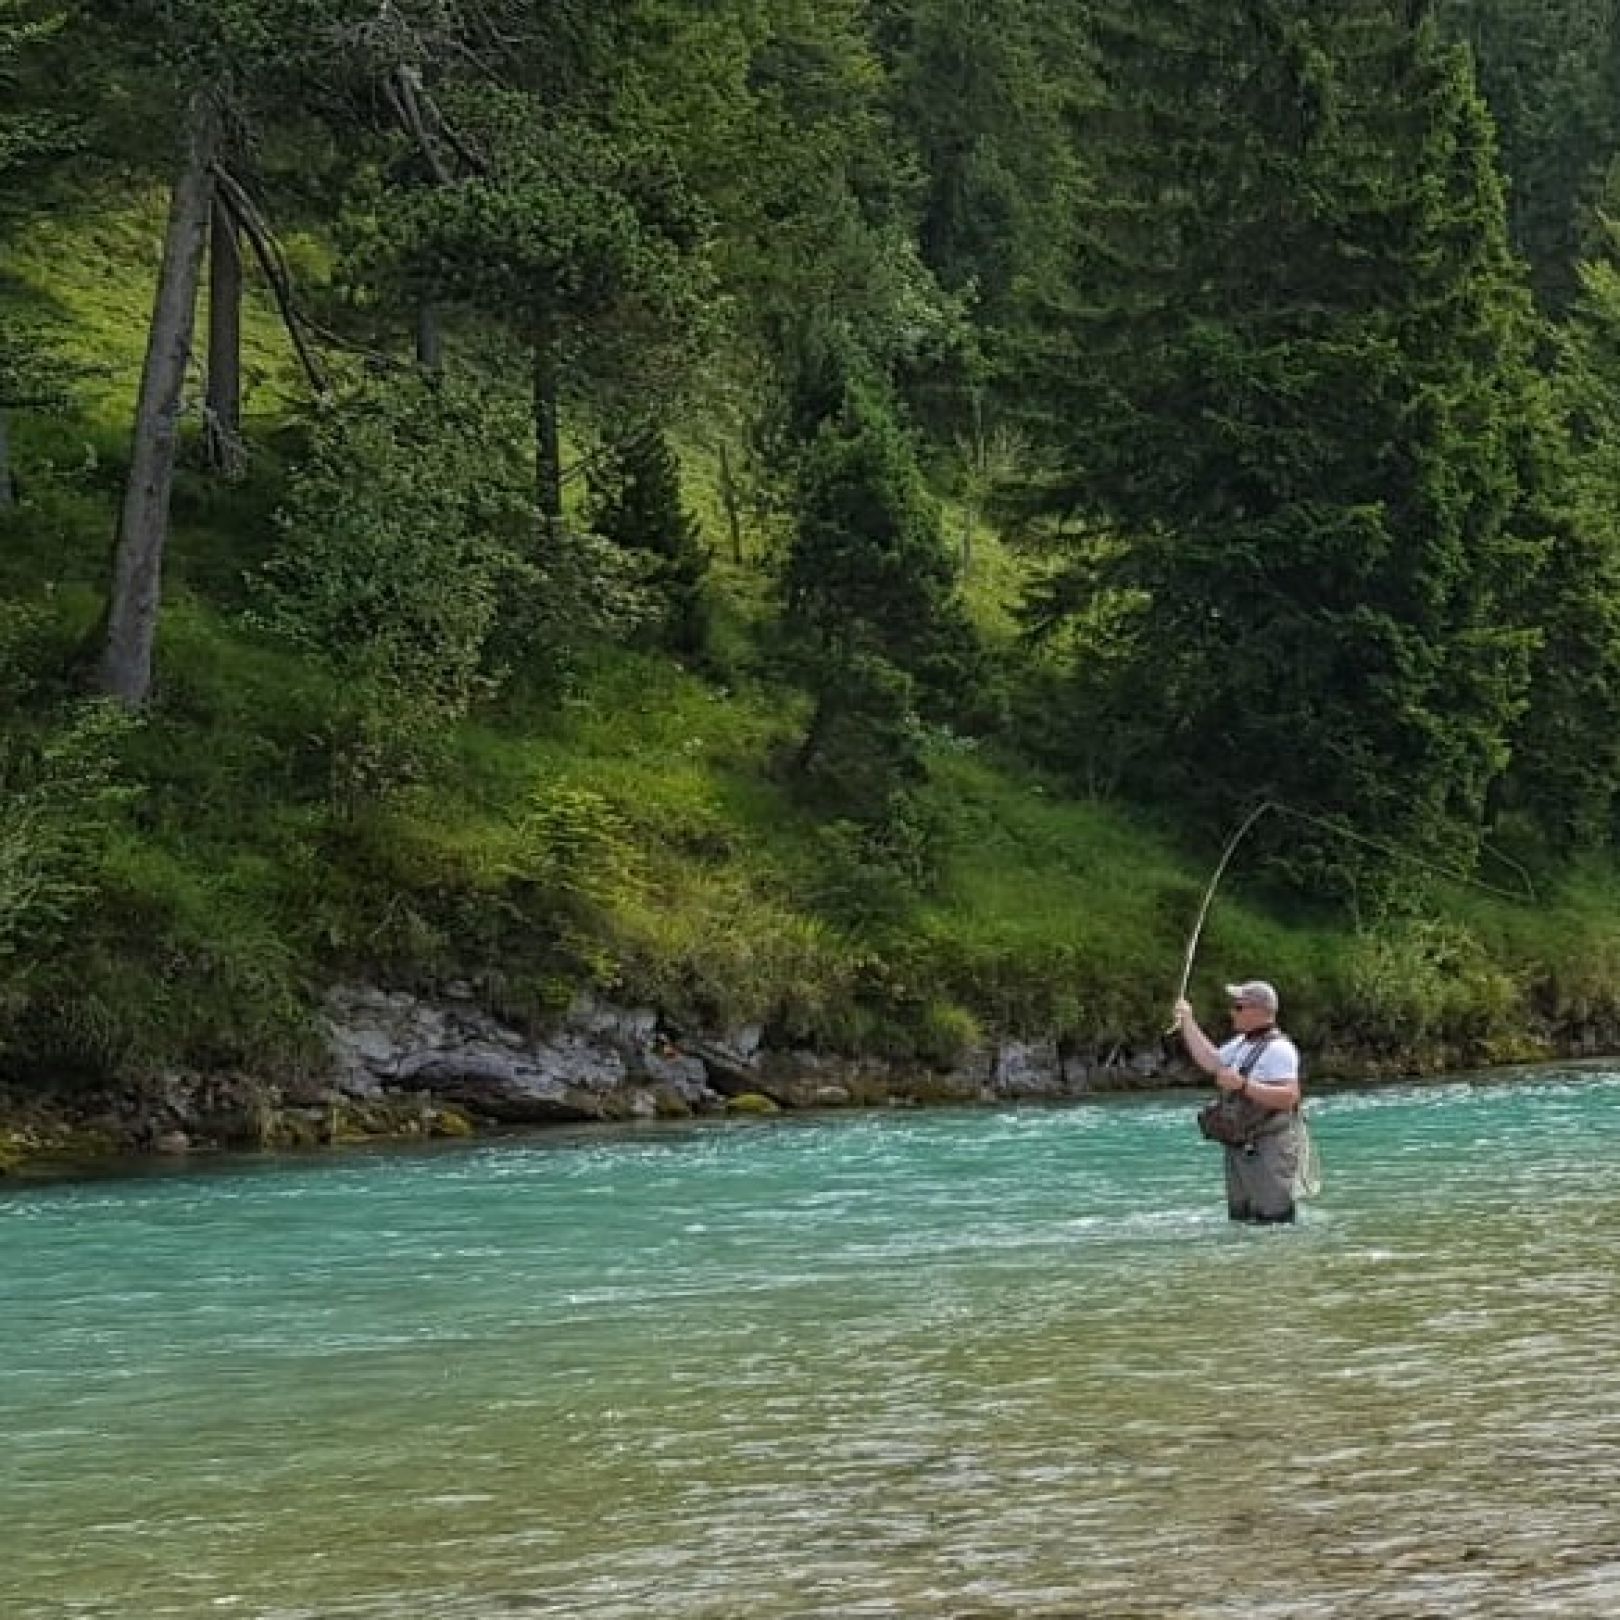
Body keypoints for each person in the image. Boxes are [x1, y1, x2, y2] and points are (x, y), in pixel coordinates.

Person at [1173, 980, 1302, 1224]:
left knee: (1274, 1220)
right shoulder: (1242, 1044)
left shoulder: (1279, 1049)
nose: (1232, 1012)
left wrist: (1243, 1085)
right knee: (1242, 1222)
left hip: (1269, 1149)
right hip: (1241, 1147)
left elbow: (1289, 1097)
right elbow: (1211, 1060)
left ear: (1260, 1011)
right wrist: (1187, 1021)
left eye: (1239, 1007)